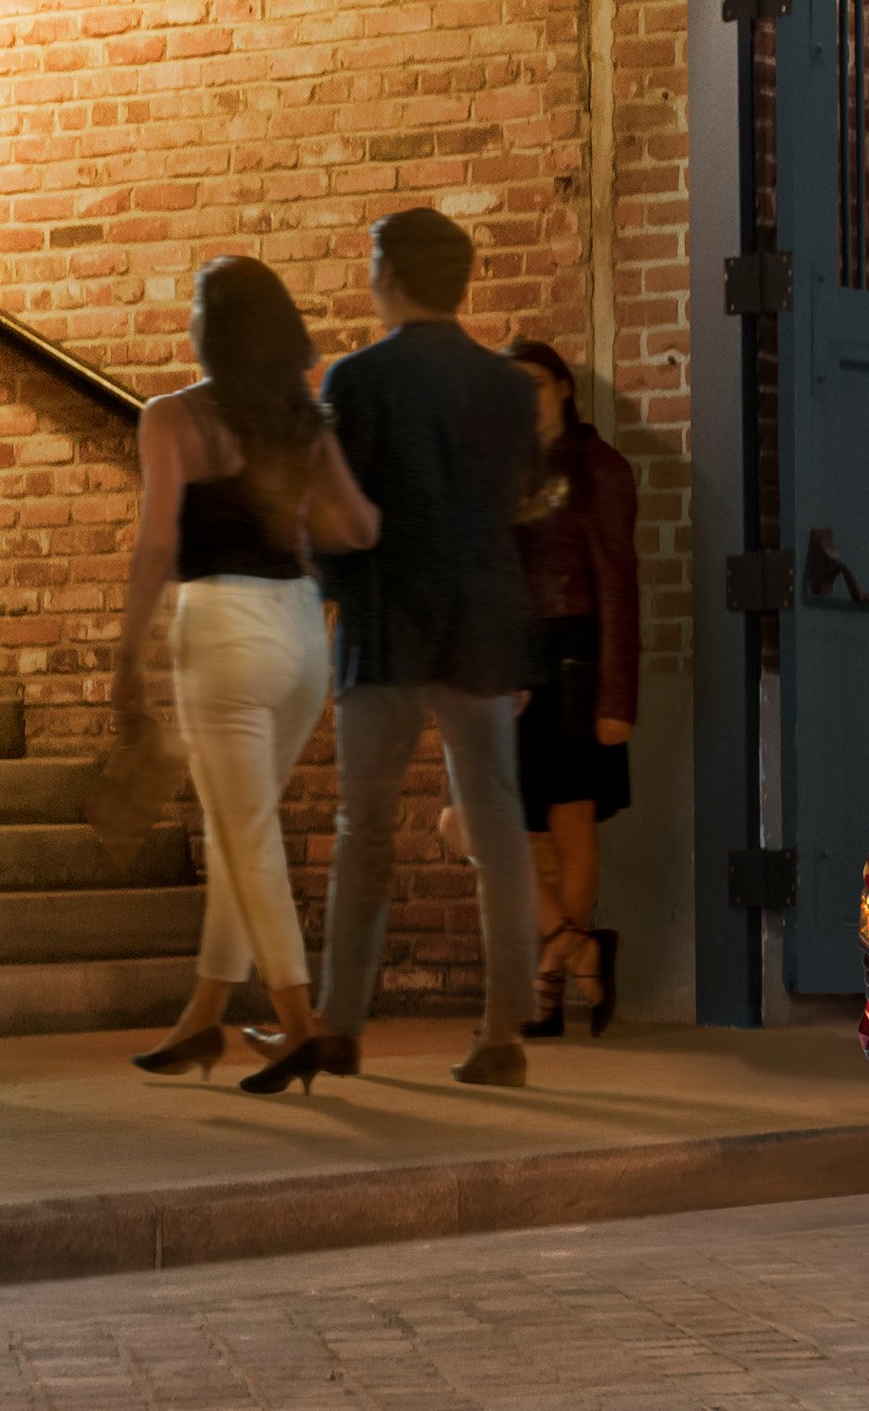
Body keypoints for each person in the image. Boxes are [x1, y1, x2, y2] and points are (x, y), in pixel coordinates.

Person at [114, 257, 381, 1094]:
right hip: (300, 632)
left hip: (222, 631)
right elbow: (359, 528)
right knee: (241, 823)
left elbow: (159, 543)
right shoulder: (306, 423)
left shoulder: (172, 418)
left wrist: (126, 657)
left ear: (212, 328)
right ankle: (203, 1016)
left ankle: (301, 1026)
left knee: (245, 831)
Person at [312, 209, 545, 1088]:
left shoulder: (358, 378)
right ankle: (504, 1034)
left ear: (392, 274)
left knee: (364, 835)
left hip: (385, 630)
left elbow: (339, 513)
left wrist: (328, 593)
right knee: (499, 834)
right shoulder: (510, 386)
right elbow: (517, 509)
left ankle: (340, 1027)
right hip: (483, 629)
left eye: (375, 261)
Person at [500, 340, 638, 1038]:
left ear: (561, 388)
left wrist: (618, 700)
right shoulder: (505, 468)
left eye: (531, 383)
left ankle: (547, 992)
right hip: (516, 666)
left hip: (575, 663)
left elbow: (618, 585)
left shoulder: (599, 467)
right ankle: (577, 947)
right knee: (494, 826)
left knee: (571, 829)